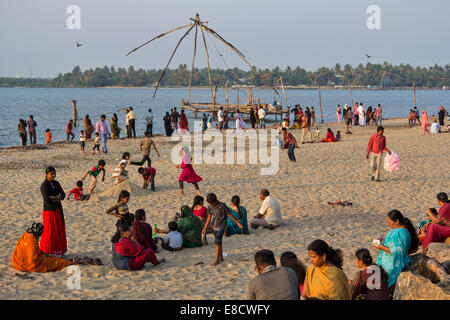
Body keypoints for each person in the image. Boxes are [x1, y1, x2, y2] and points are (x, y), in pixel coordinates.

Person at [374, 210, 419, 292]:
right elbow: (395, 243)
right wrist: (383, 240)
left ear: (397, 221)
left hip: (391, 266)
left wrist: (381, 248)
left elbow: (397, 250)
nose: (388, 224)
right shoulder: (402, 231)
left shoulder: (400, 233)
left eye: (389, 222)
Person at [202, 193, 243, 266]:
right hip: (214, 226)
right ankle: (221, 258)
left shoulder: (223, 205)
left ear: (216, 200)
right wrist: (205, 228)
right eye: (210, 204)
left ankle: (217, 260)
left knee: (217, 243)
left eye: (212, 203)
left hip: (222, 227)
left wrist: (237, 223)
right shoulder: (210, 207)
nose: (211, 205)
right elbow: (209, 217)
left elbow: (229, 214)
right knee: (219, 243)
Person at [40, 166, 67, 257]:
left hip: (58, 210)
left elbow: (63, 195)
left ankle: (57, 252)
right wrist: (57, 198)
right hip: (49, 211)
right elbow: (46, 199)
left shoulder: (56, 183)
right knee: (49, 231)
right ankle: (47, 252)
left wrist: (55, 198)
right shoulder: (44, 185)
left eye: (54, 173)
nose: (53, 175)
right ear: (46, 174)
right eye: (51, 174)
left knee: (58, 231)